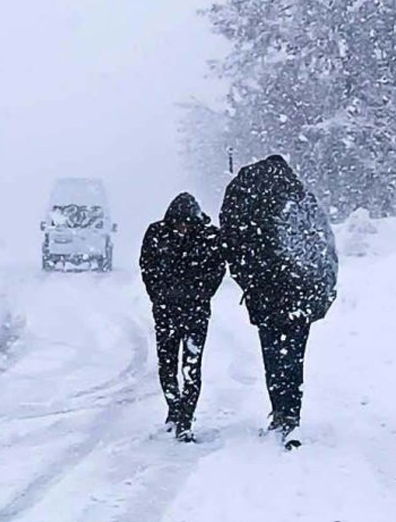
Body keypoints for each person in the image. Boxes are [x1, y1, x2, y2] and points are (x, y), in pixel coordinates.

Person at [221, 155, 337, 449]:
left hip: (268, 299)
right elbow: (323, 248)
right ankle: (291, 414)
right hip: (302, 298)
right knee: (294, 357)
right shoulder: (300, 202)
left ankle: (280, 412)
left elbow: (236, 249)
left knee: (273, 358)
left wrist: (250, 282)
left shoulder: (252, 206)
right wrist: (320, 291)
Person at [140, 192, 225, 442]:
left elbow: (218, 269)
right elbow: (147, 267)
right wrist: (158, 296)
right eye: (178, 223)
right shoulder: (157, 234)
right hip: (166, 311)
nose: (182, 229)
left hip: (195, 313)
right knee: (167, 366)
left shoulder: (209, 237)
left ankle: (185, 419)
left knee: (191, 367)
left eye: (187, 223)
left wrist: (201, 295)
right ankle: (174, 409)